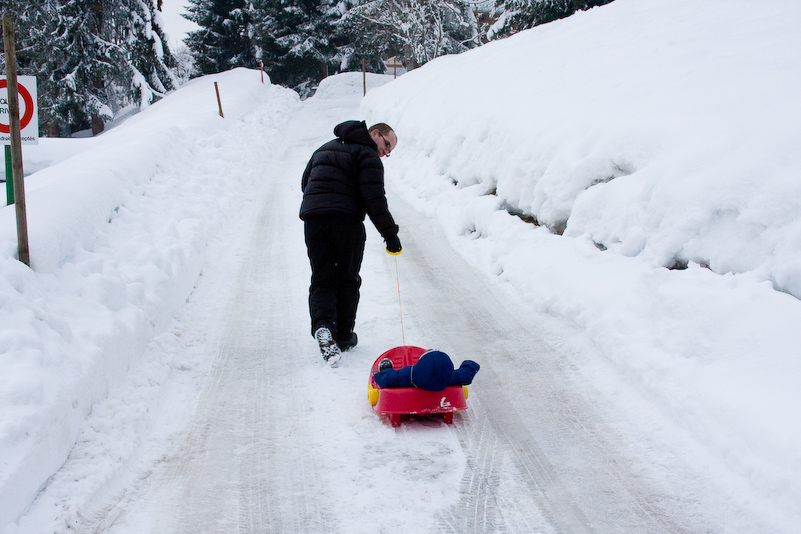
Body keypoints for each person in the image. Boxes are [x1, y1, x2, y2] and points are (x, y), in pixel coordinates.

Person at [300, 120, 402, 365]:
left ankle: (323, 326)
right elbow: (374, 199)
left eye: (390, 151)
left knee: (322, 277)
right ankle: (343, 336)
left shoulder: (325, 148)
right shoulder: (367, 155)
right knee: (347, 278)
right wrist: (390, 235)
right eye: (386, 144)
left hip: (314, 219)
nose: (385, 152)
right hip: (346, 221)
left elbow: (306, 183)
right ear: (374, 133)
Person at [373, 350, 480, 391]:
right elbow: (465, 376)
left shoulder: (411, 374)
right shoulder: (449, 376)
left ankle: (386, 369)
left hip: (419, 382)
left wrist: (379, 375)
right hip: (441, 383)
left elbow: (388, 380)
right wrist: (469, 365)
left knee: (395, 377)